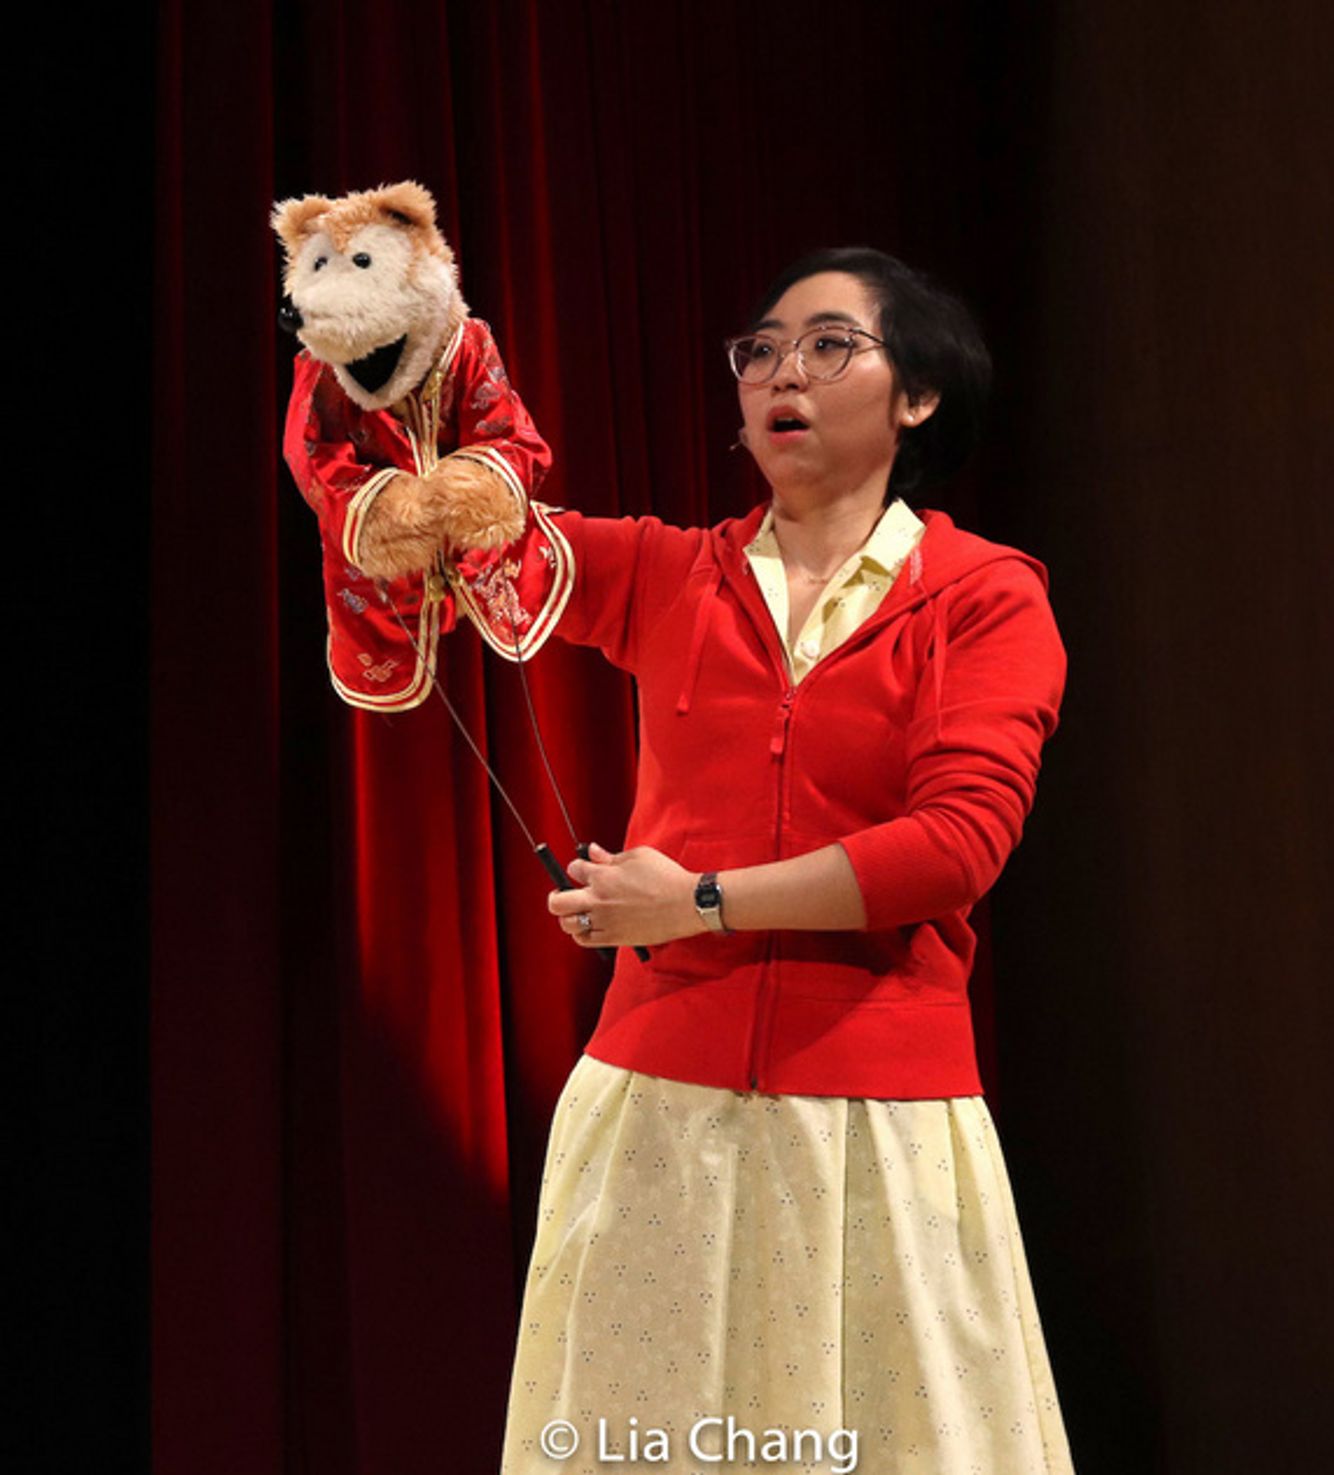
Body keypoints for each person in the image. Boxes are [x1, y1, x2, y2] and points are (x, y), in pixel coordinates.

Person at [480, 248, 1076, 1474]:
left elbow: (953, 847)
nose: (777, 372)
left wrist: (695, 900)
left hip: (875, 1128)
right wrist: (391, 381)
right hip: (656, 1116)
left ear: (916, 397)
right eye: (757, 351)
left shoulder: (983, 597)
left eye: (824, 344)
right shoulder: (666, 571)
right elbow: (478, 548)